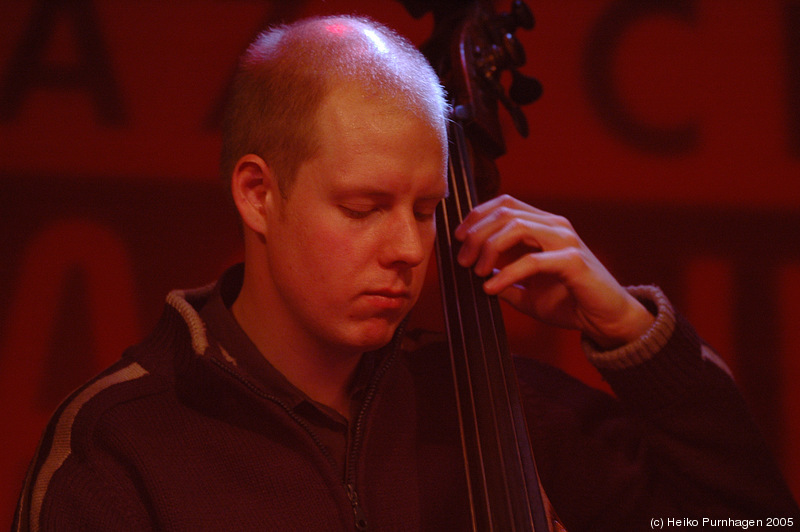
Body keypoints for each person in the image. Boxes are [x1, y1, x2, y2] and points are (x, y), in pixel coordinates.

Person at [13, 15, 799, 532]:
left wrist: (629, 332)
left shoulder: (498, 409)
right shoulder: (118, 448)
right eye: (363, 208)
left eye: (424, 209)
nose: (409, 250)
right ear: (258, 194)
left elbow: (748, 523)